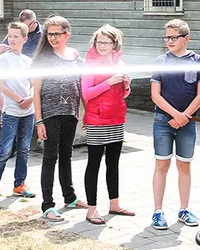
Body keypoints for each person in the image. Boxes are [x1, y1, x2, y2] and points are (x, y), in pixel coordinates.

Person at [149, 19, 200, 230]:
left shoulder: (197, 60)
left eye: (174, 37)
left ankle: (184, 209)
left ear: (186, 38)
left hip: (188, 123)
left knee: (184, 166)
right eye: (167, 37)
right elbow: (155, 95)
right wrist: (176, 115)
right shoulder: (160, 61)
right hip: (163, 122)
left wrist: (185, 116)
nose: (170, 41)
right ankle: (158, 212)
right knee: (161, 165)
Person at [31, 15, 87, 222]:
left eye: (57, 34)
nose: (53, 38)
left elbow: (82, 85)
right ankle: (48, 205)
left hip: (70, 113)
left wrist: (86, 112)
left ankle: (70, 197)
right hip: (50, 115)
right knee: (50, 157)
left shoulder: (75, 56)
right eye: (49, 34)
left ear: (67, 34)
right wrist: (39, 121)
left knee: (66, 155)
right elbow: (36, 92)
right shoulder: (43, 59)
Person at [0, 22, 37, 202]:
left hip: (28, 112)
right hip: (12, 111)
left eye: (16, 36)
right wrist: (19, 99)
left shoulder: (28, 61)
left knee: (24, 149)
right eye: (9, 36)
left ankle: (19, 184)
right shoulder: (4, 59)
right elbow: (1, 85)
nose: (12, 39)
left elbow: (34, 84)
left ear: (25, 39)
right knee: (4, 150)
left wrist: (30, 98)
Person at [81, 25, 134, 225]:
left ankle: (114, 204)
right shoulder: (90, 64)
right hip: (97, 119)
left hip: (117, 118)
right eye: (98, 42)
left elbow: (124, 94)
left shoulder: (120, 63)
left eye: (105, 42)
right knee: (94, 164)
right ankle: (91, 210)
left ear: (114, 44)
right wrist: (110, 82)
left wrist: (126, 85)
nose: (101, 46)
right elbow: (87, 93)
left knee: (113, 164)